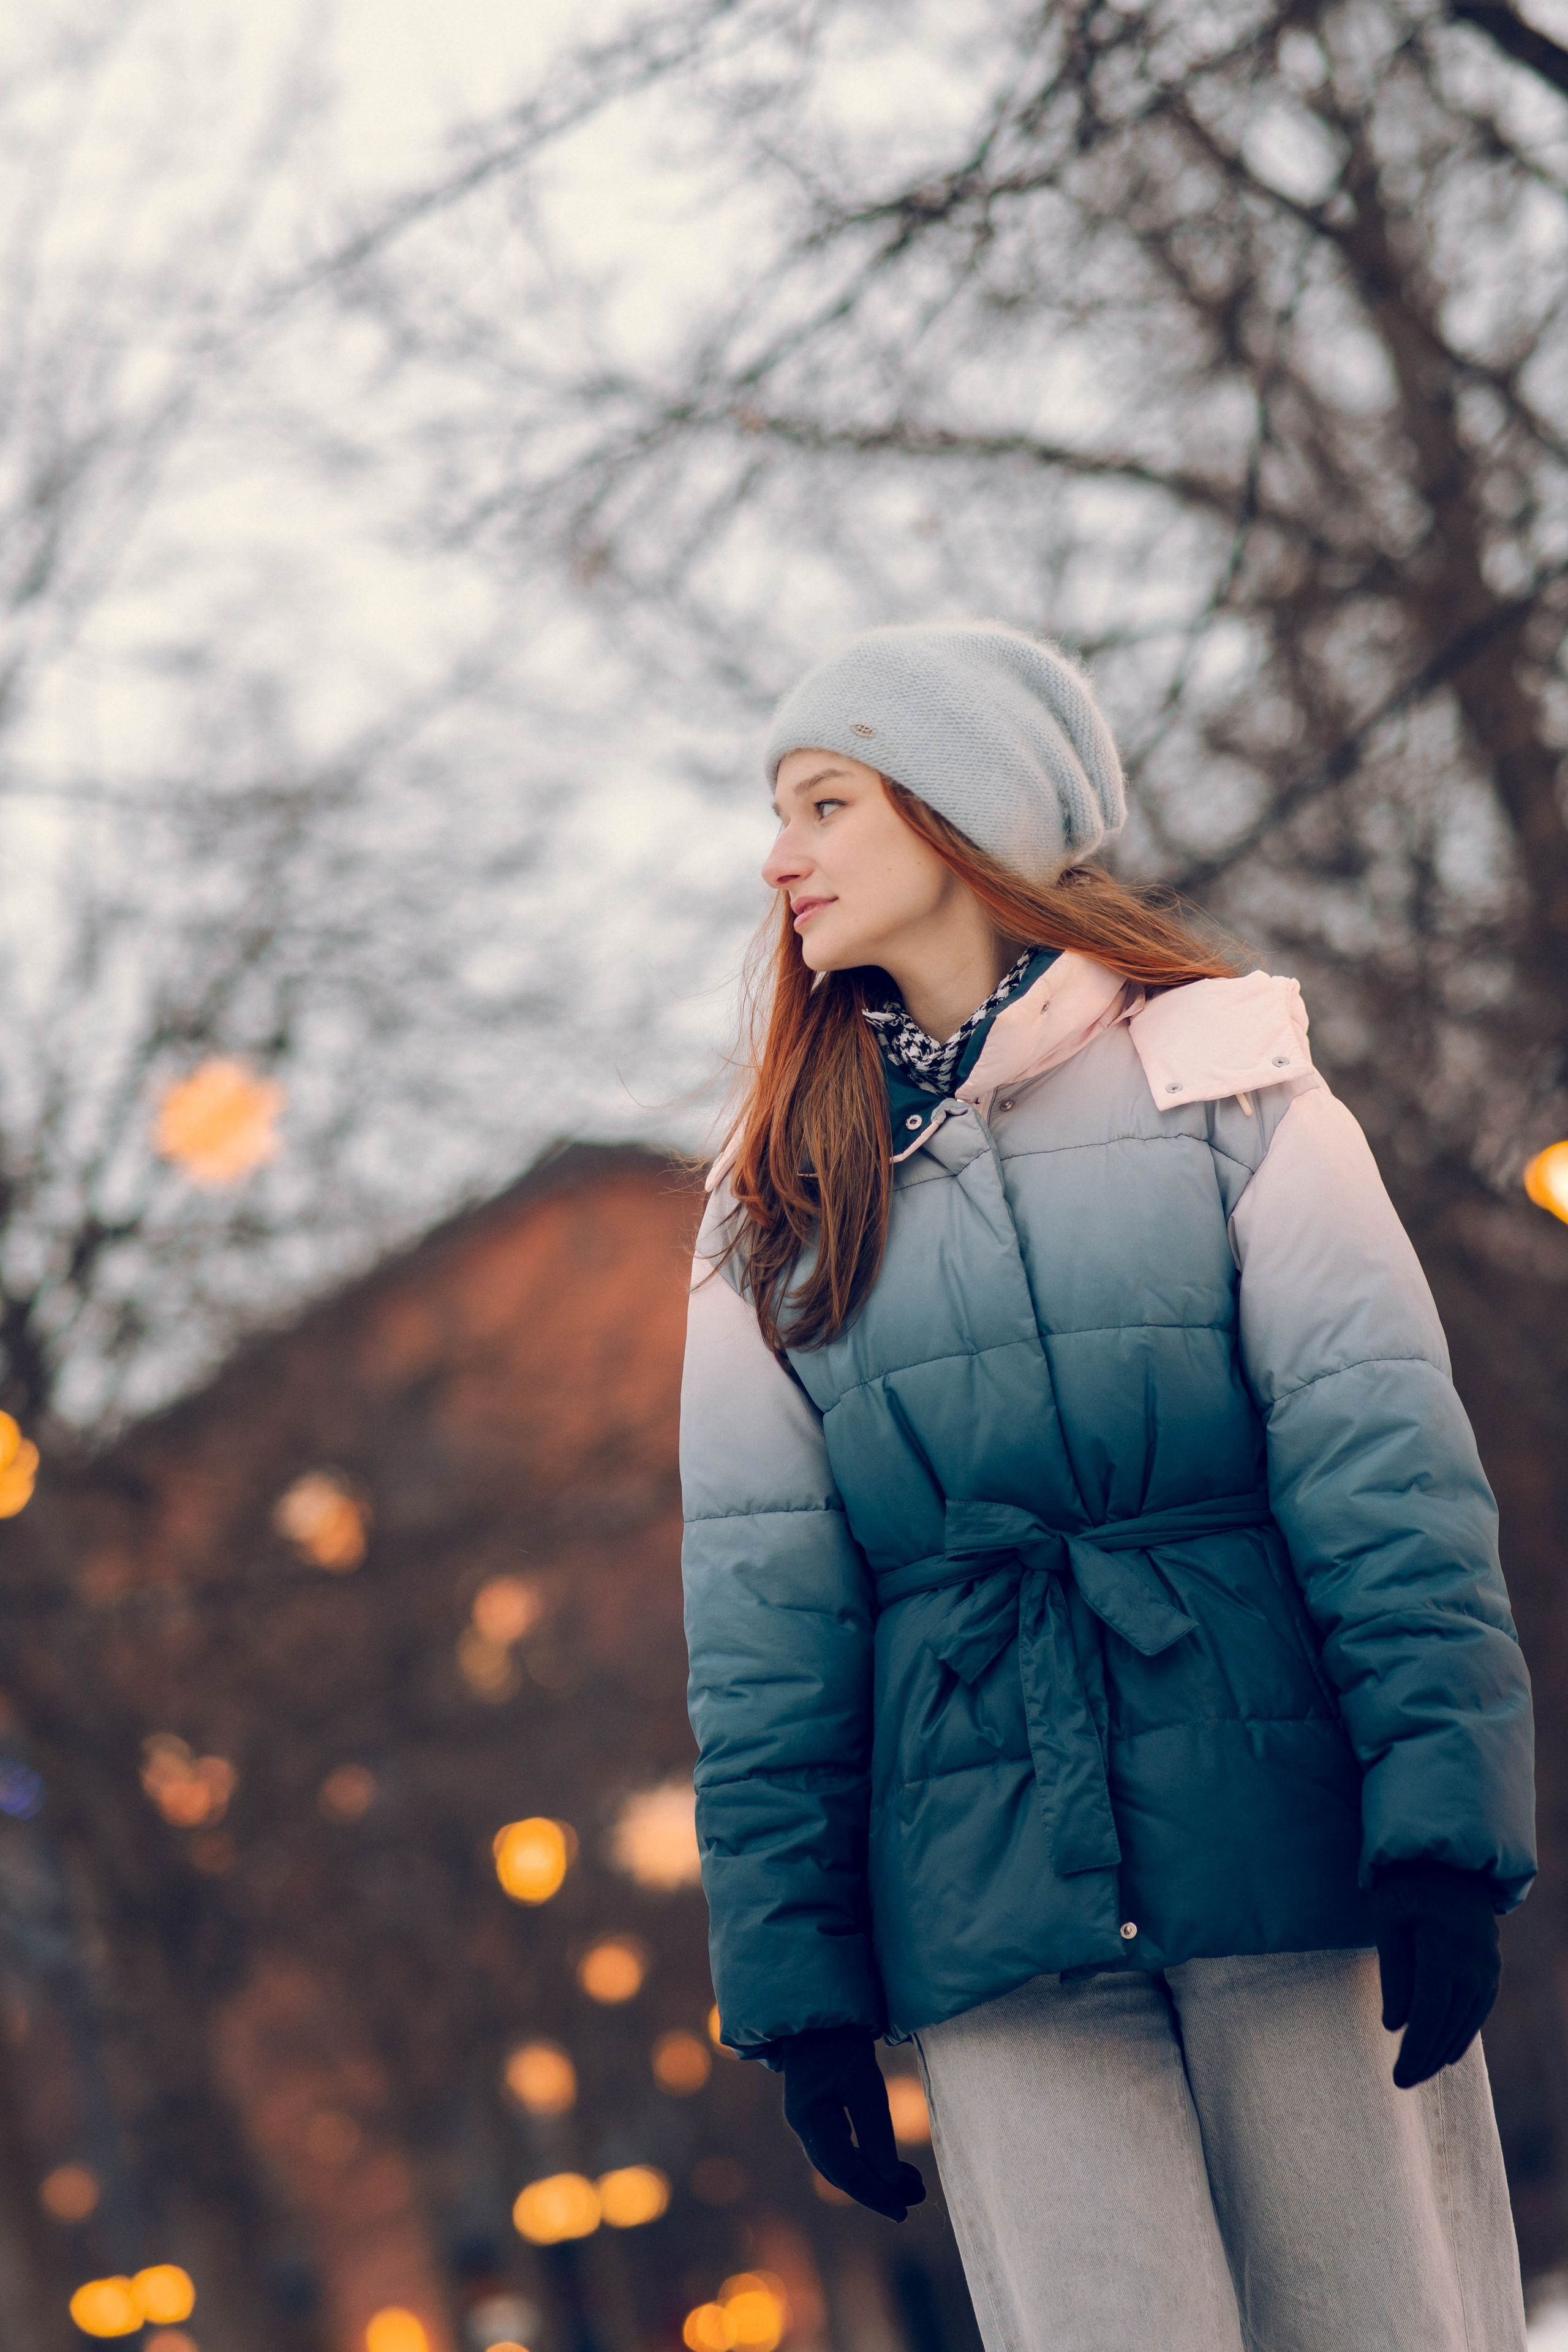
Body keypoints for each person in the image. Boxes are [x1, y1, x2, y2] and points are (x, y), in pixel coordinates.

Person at [679, 620, 1535, 2351]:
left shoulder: (1226, 1074)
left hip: (1284, 1841)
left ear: (961, 814)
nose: (783, 858)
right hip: (991, 1902)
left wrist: (1444, 1827)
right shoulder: (771, 1212)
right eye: (781, 812)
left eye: (825, 803)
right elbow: (762, 1625)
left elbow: (1386, 1471)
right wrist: (798, 1989)